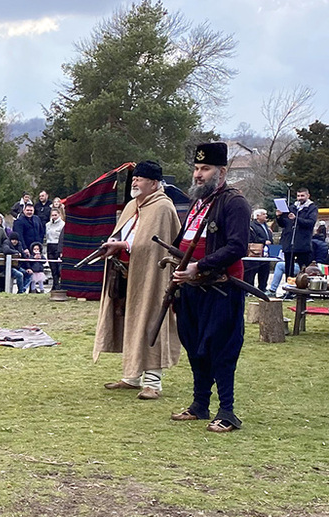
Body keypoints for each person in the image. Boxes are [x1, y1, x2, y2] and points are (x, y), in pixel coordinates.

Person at [171, 142, 250, 433]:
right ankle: (199, 405)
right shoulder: (198, 203)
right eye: (196, 168)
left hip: (221, 287)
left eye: (205, 169)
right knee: (195, 346)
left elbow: (237, 246)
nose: (198, 174)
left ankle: (227, 411)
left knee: (221, 348)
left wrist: (200, 267)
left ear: (222, 171)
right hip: (192, 288)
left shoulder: (234, 202)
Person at [92, 161, 181, 400]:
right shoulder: (133, 205)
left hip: (152, 275)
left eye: (140, 179)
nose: (135, 182)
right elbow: (124, 233)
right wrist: (113, 245)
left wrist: (124, 245)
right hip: (126, 273)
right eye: (134, 178)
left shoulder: (162, 207)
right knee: (131, 321)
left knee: (151, 320)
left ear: (154, 183)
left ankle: (152, 382)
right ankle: (131, 376)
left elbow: (156, 245)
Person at [276, 187, 318, 275]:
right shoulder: (292, 207)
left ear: (308, 196)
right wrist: (279, 217)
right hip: (289, 244)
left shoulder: (312, 208)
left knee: (304, 271)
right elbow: (283, 224)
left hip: (303, 245)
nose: (300, 198)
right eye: (298, 196)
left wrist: (296, 219)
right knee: (288, 271)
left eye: (302, 196)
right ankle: (288, 287)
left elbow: (310, 223)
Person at [244, 208, 273, 293]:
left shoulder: (266, 226)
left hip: (265, 253)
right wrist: (263, 241)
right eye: (264, 214)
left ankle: (263, 288)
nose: (266, 216)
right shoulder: (252, 226)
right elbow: (252, 238)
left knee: (264, 271)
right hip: (255, 253)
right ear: (257, 216)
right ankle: (250, 289)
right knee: (251, 272)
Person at [45, 208, 65, 290]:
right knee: (52, 268)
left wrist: (61, 250)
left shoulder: (63, 224)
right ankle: (55, 285)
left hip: (58, 246)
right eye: (52, 215)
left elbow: (62, 238)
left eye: (55, 215)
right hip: (50, 246)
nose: (54, 217)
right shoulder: (47, 225)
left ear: (59, 215)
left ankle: (59, 285)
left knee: (58, 268)